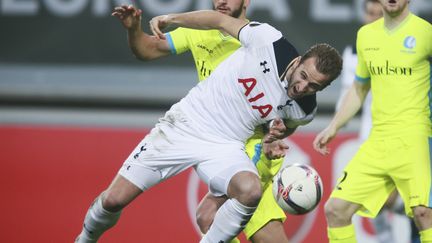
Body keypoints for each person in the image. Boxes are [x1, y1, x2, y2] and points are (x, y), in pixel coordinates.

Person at [75, 9, 343, 243]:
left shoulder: (305, 108)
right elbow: (217, 20)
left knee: (250, 191)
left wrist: (275, 135)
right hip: (185, 125)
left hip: (226, 145)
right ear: (297, 62)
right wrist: (172, 17)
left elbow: (288, 125)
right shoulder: (269, 41)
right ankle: (86, 238)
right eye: (304, 76)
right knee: (112, 201)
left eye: (314, 86)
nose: (302, 87)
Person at [111, 1, 292, 242]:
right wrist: (133, 29)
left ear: (247, 1)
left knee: (218, 217)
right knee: (213, 218)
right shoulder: (198, 30)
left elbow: (289, 99)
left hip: (253, 145)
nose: (221, 1)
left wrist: (274, 134)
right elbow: (146, 50)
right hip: (219, 142)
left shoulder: (259, 40)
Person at [313, 0, 432, 242]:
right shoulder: (366, 36)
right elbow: (359, 88)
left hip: (415, 139)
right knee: (336, 210)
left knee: (424, 214)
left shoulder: (425, 33)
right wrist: (334, 125)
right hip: (378, 141)